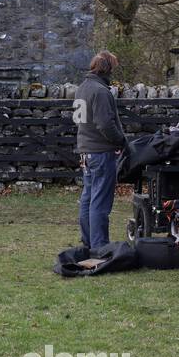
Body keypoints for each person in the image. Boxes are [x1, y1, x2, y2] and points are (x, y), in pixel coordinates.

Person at [74, 50, 126, 248]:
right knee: (100, 202)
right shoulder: (100, 91)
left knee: (88, 198)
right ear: (107, 68)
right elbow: (105, 125)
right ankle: (99, 245)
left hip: (85, 152)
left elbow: (78, 120)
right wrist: (120, 141)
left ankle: (88, 241)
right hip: (101, 152)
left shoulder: (82, 89)